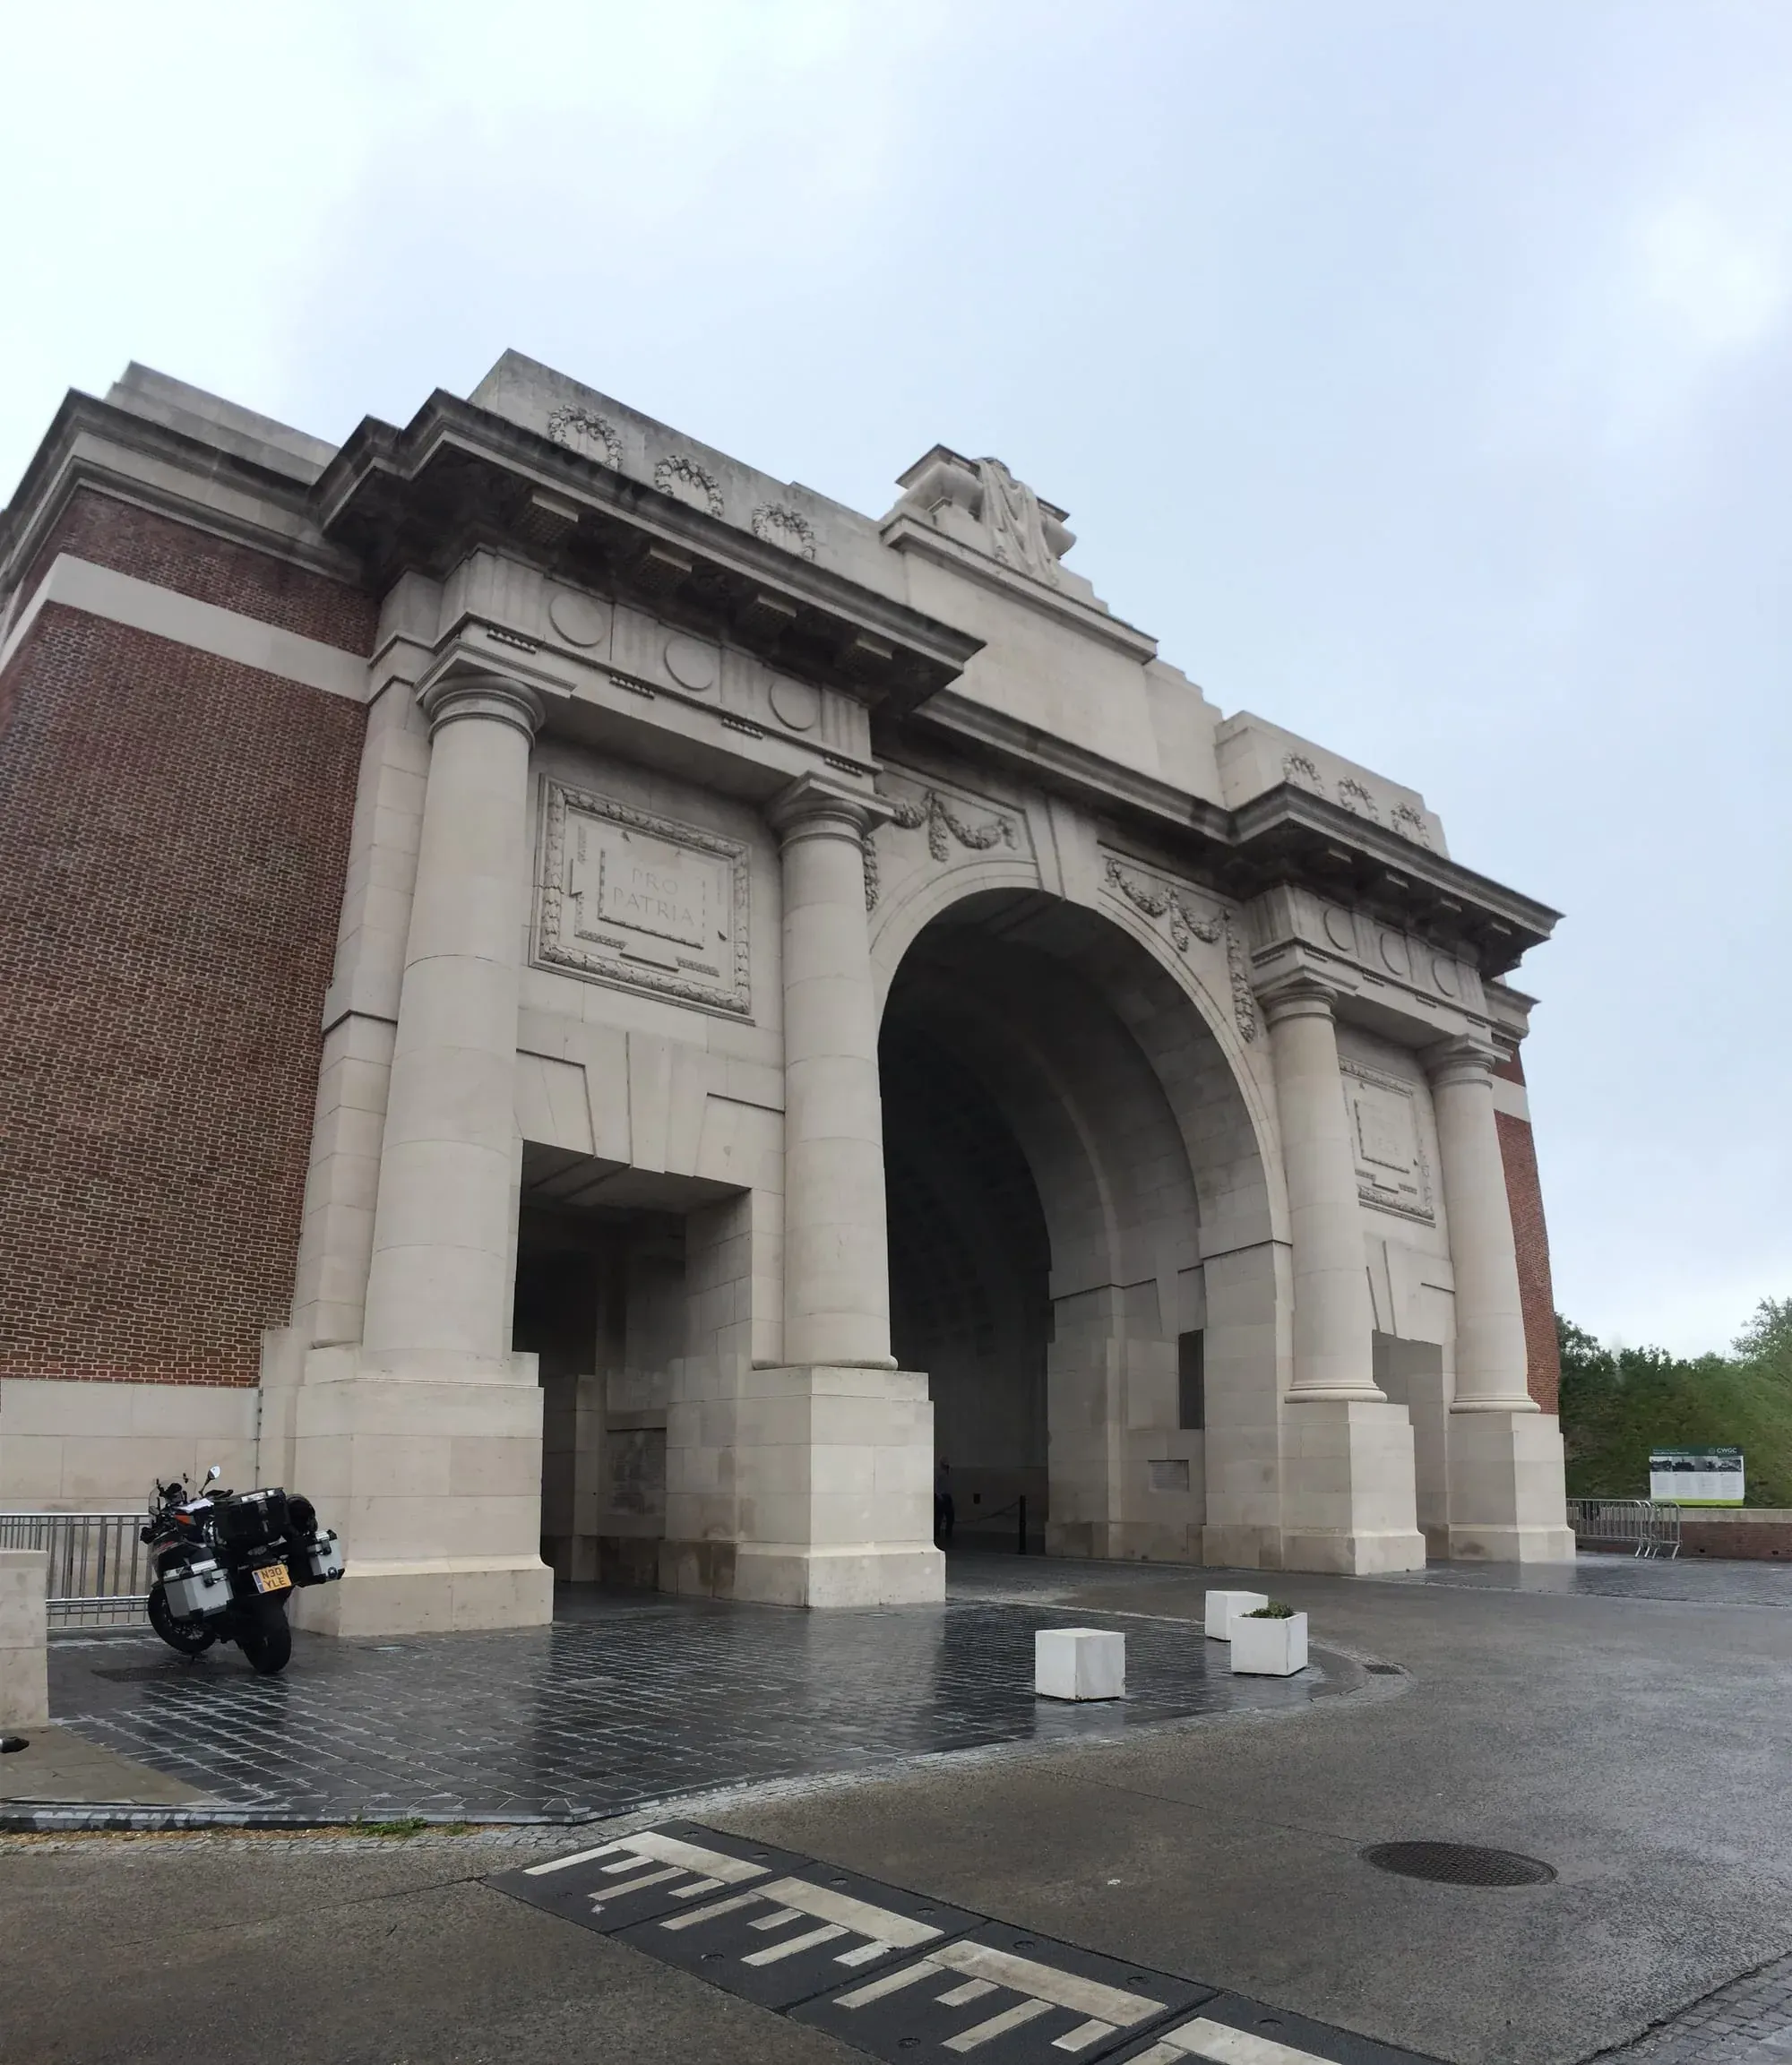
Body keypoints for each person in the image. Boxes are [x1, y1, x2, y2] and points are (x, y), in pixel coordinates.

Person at [934, 1456, 955, 1547]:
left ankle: (948, 1534)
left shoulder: (948, 1474)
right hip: (941, 1497)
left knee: (950, 1517)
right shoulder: (940, 1474)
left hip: (947, 1497)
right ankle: (937, 1534)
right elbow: (936, 1486)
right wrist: (938, 1496)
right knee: (939, 1517)